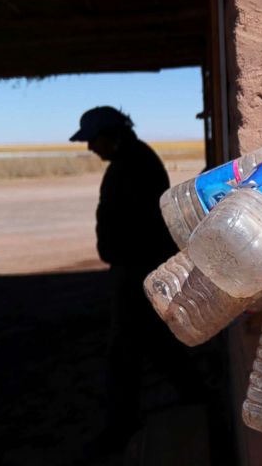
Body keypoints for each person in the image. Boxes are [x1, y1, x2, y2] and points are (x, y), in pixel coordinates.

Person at [70, 106, 207, 448]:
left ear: (111, 134)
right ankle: (196, 396)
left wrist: (129, 263)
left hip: (136, 268)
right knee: (152, 341)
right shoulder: (132, 159)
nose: (90, 148)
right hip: (136, 265)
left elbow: (136, 222)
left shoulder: (134, 163)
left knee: (124, 348)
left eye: (93, 140)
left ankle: (122, 424)